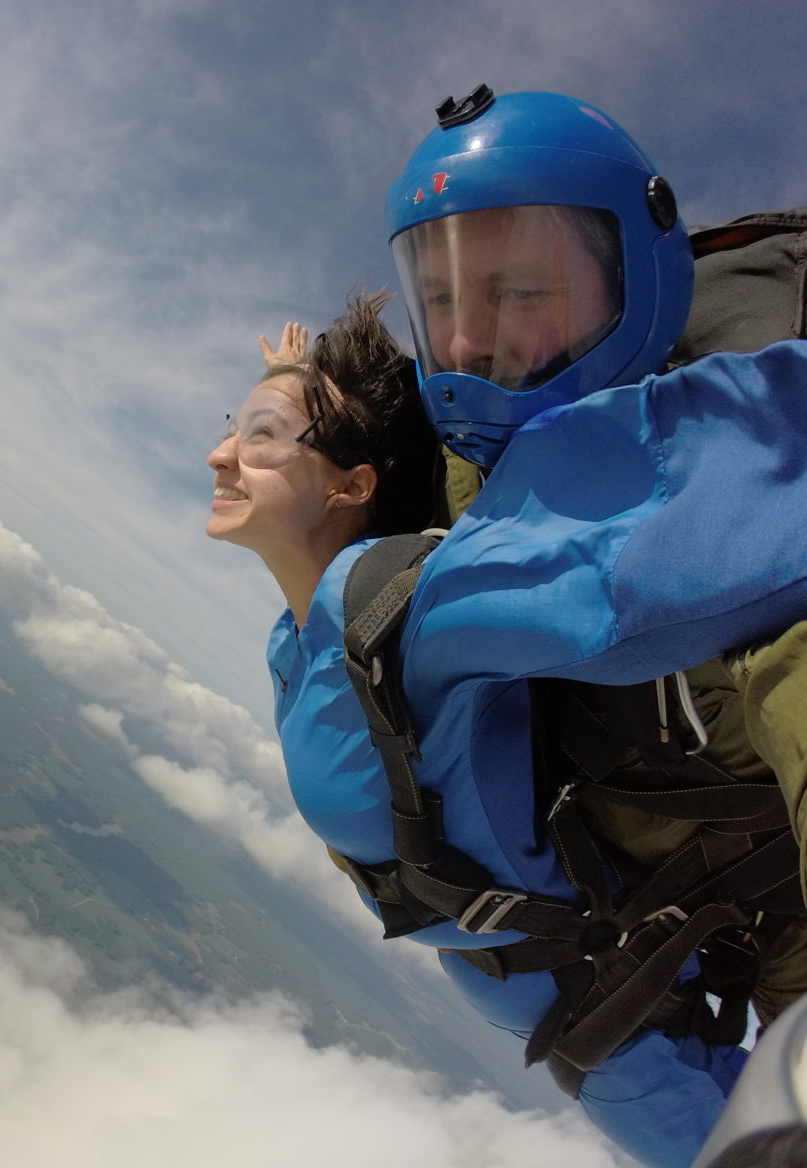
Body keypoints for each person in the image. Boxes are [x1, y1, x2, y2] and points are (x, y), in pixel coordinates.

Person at [213, 294, 763, 1168]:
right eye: (233, 424)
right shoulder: (300, 634)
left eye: (261, 435)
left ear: (355, 486)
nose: (222, 452)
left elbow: (644, 586)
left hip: (632, 1031)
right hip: (588, 1032)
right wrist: (285, 387)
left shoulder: (414, 605)